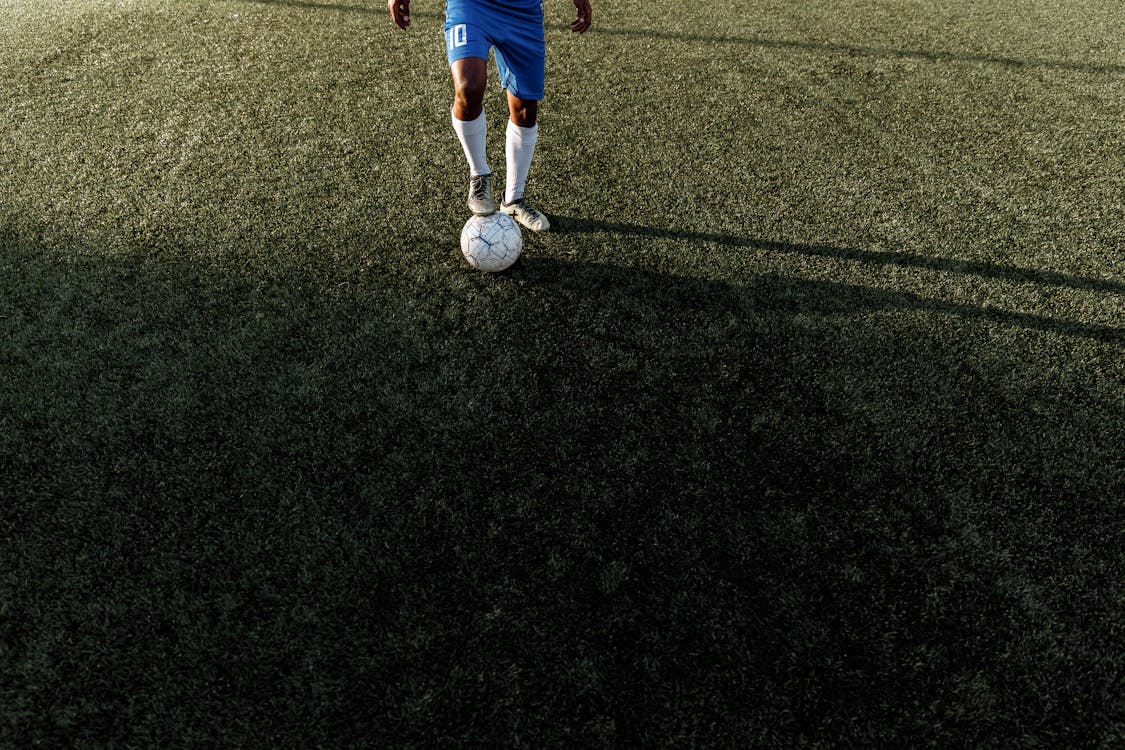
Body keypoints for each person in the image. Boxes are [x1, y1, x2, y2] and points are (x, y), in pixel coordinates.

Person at [389, 0, 593, 232]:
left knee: (525, 108)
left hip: (523, 10)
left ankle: (513, 200)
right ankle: (479, 176)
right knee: (469, 87)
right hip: (470, 6)